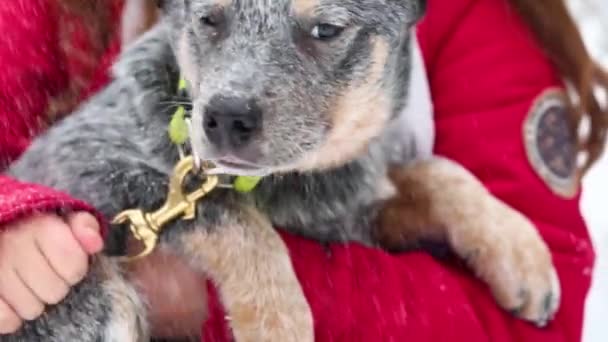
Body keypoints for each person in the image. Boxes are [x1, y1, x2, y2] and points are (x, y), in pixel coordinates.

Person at [0, 0, 606, 341]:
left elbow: (538, 327)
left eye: (322, 30)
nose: (233, 98)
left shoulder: (480, 26)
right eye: (211, 20)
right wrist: (17, 220)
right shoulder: (50, 12)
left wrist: (211, 293)